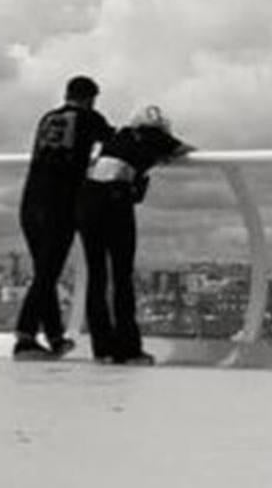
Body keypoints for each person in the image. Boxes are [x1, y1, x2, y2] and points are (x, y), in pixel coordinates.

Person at [78, 105, 194, 365]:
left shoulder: (116, 138)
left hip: (86, 201)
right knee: (121, 276)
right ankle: (128, 349)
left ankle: (103, 349)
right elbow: (184, 150)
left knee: (96, 277)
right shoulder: (154, 137)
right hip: (115, 201)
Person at [14, 75, 114, 360]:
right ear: (90, 98)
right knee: (47, 273)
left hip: (31, 201)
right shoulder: (89, 118)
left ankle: (56, 338)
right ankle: (25, 336)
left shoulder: (47, 118)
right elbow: (112, 139)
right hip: (60, 203)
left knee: (44, 272)